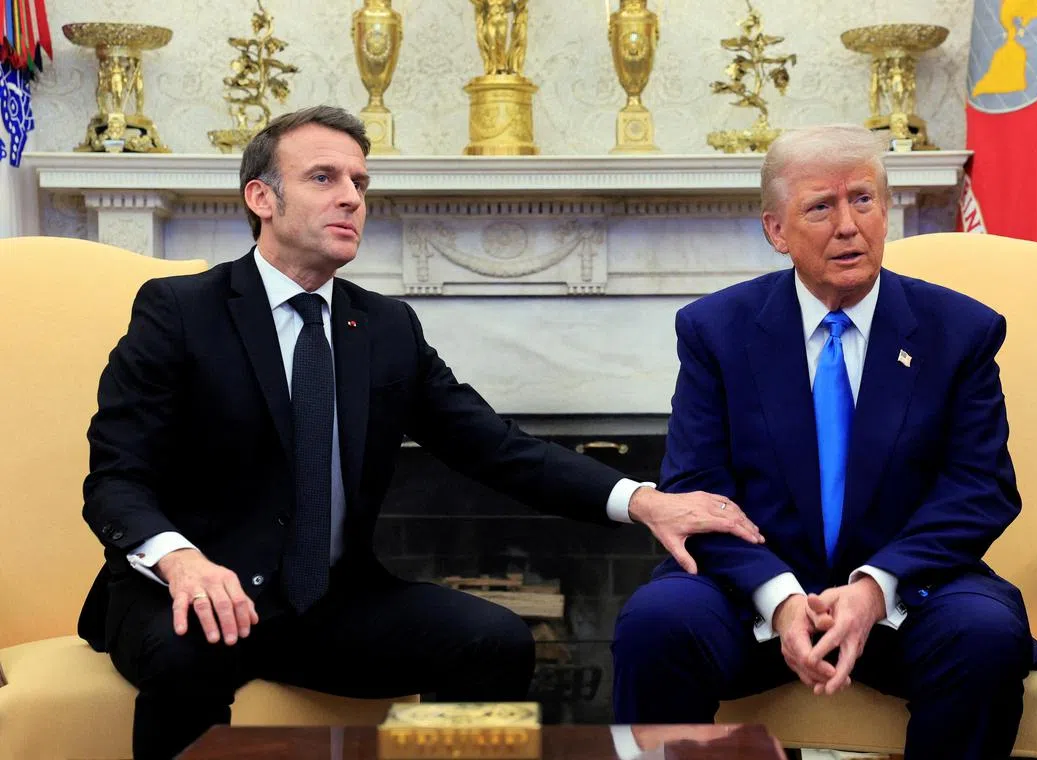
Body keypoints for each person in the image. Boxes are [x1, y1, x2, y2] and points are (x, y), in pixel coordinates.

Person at [77, 105, 762, 760]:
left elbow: (493, 445)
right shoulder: (181, 311)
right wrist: (181, 560)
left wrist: (641, 499)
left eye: (360, 183)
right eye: (325, 178)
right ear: (262, 197)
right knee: (185, 655)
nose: (351, 197)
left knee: (494, 640)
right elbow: (116, 478)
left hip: (328, 602)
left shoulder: (384, 329)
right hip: (191, 592)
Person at [611, 124, 1037, 759]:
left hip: (908, 595)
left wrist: (874, 587)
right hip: (753, 599)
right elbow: (695, 489)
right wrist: (782, 600)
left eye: (863, 200)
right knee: (657, 625)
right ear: (776, 231)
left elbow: (980, 489)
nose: (849, 225)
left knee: (983, 633)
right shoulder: (716, 331)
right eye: (821, 206)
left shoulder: (961, 331)